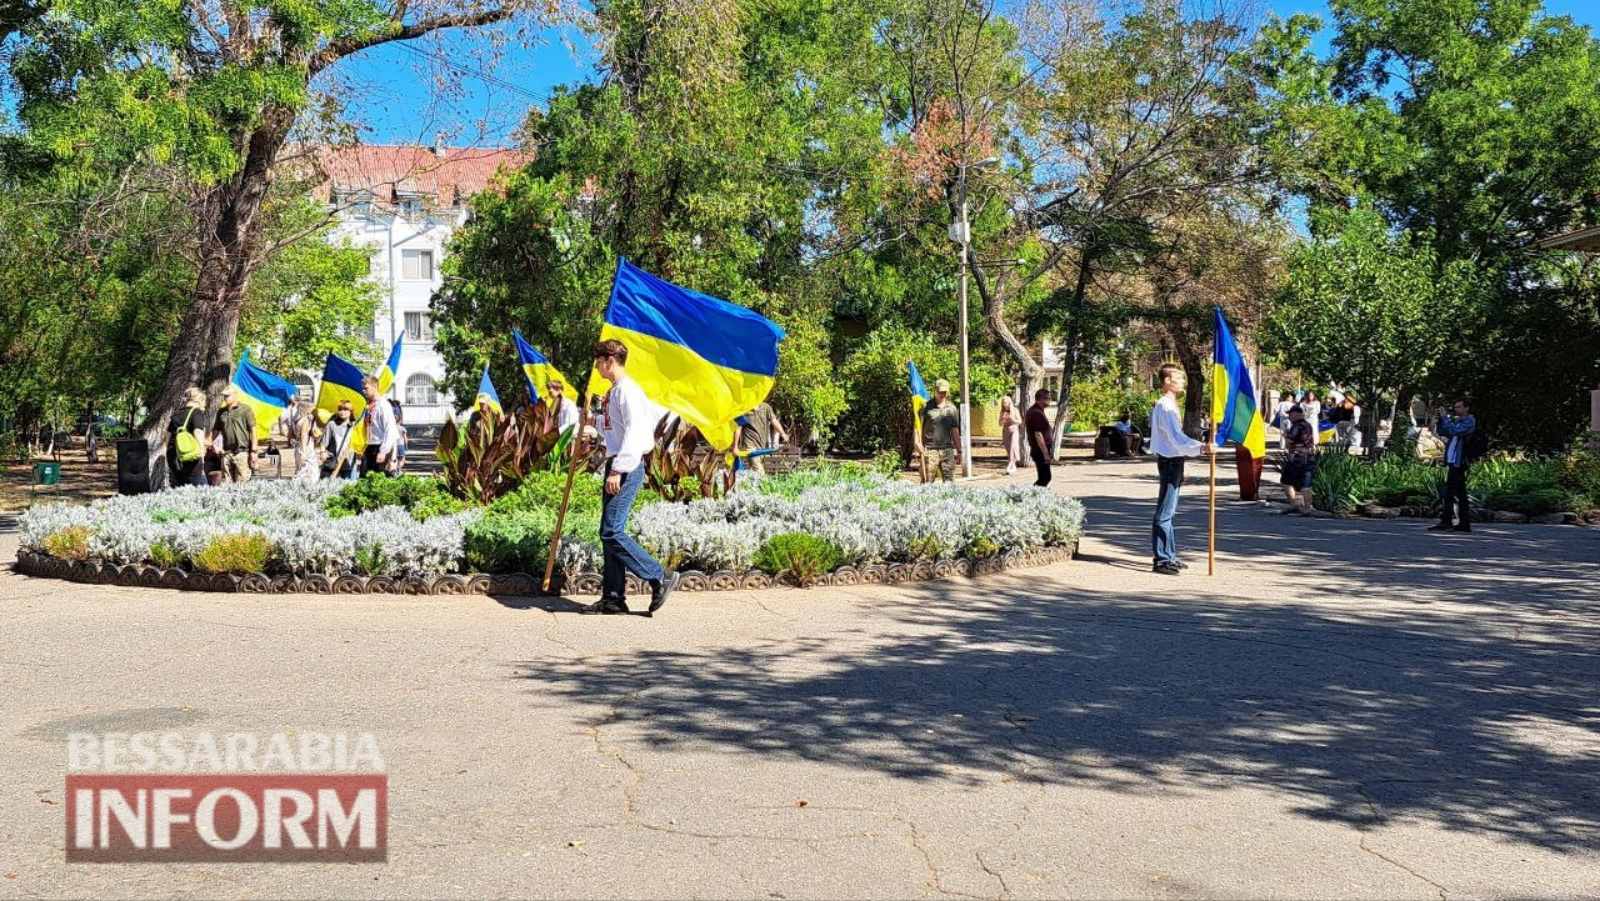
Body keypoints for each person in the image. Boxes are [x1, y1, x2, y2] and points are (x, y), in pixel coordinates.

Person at [582, 339, 679, 616]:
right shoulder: (615, 391)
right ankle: (613, 597)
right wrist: (592, 423)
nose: (596, 365)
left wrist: (617, 469)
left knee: (611, 531)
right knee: (608, 533)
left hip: (627, 465)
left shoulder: (628, 391)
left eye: (598, 360)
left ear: (609, 361)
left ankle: (659, 576)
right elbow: (616, 427)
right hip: (617, 462)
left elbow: (636, 434)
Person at [1149, 364, 1210, 575]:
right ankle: (1162, 559)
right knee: (1165, 511)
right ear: (1167, 381)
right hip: (1170, 460)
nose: (1183, 381)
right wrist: (1201, 447)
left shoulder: (1170, 405)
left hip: (1174, 460)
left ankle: (1169, 555)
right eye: (1179, 378)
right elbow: (1175, 438)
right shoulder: (1165, 406)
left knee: (1169, 510)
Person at [1430, 398, 1477, 534]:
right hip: (1453, 461)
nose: (1456, 410)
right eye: (1455, 407)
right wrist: (1440, 420)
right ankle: (1462, 523)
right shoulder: (1457, 421)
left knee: (1450, 492)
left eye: (1459, 407)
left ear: (1466, 408)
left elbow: (1456, 431)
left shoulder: (1469, 421)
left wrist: (1446, 418)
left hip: (1460, 462)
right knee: (1458, 493)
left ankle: (1448, 521)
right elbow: (1445, 432)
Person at [916, 378, 962, 483]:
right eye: (940, 391)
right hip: (930, 449)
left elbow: (955, 430)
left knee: (949, 482)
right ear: (935, 391)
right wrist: (917, 443)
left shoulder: (952, 409)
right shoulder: (926, 407)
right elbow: (918, 427)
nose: (942, 394)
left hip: (947, 450)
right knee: (927, 482)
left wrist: (959, 451)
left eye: (945, 392)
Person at [166, 387, 211, 488]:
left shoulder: (176, 414)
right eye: (204, 401)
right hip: (191, 457)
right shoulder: (196, 412)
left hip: (174, 456)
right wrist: (202, 453)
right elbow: (197, 433)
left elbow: (167, 438)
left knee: (179, 488)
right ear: (200, 399)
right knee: (200, 488)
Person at [214, 385, 256, 484]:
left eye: (227, 396)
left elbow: (253, 431)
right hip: (226, 452)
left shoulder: (245, 410)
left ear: (235, 396)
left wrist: (254, 451)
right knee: (226, 484)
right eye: (224, 396)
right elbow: (216, 431)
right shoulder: (221, 412)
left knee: (242, 484)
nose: (225, 398)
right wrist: (213, 445)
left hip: (241, 452)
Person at [1280, 405, 1317, 514]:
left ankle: (1294, 504)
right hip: (1309, 456)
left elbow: (1289, 442)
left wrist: (1285, 435)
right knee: (1306, 484)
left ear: (1297, 414)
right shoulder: (1308, 425)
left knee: (1286, 481)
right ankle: (1307, 507)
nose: (1289, 416)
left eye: (1291, 414)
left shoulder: (1296, 426)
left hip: (1297, 457)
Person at [361, 376, 399, 478]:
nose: (363, 391)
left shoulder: (383, 405)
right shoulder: (369, 405)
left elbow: (390, 429)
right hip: (369, 446)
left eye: (366, 388)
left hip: (380, 446)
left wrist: (383, 451)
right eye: (363, 388)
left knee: (379, 480)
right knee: (365, 479)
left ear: (375, 387)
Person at [736, 401, 789, 475]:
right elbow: (738, 428)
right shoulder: (744, 409)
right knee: (759, 472)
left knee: (755, 473)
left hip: (761, 446)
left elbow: (774, 421)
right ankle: (763, 484)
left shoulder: (765, 407)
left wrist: (783, 433)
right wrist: (735, 447)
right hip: (750, 446)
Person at [1024, 389, 1054, 488]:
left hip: (1039, 450)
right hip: (1040, 450)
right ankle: (1033, 495)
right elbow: (1038, 434)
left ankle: (1037, 494)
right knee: (1045, 477)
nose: (1049, 400)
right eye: (1047, 398)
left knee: (1044, 477)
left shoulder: (1036, 411)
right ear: (1040, 399)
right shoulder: (1036, 413)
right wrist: (1045, 454)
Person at [320, 402, 357, 479]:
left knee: (347, 485)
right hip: (332, 461)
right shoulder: (332, 424)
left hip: (348, 460)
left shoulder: (354, 426)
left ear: (351, 412)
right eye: (340, 409)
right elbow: (324, 442)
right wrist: (322, 453)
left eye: (346, 409)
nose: (342, 412)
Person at [999, 395, 1024, 476]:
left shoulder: (1015, 410)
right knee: (1008, 449)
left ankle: (1010, 465)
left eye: (1005, 403)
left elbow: (1020, 421)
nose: (1004, 405)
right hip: (1005, 431)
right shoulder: (1002, 412)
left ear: (1009, 402)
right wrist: (1003, 420)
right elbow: (999, 424)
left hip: (1014, 431)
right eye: (1003, 403)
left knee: (1013, 447)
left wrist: (1012, 419)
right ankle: (1013, 466)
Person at [391, 401, 407, 475]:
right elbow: (405, 438)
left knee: (396, 458)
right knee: (402, 458)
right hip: (401, 444)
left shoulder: (392, 428)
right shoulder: (402, 428)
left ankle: (395, 470)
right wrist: (406, 445)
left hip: (394, 444)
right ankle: (398, 469)